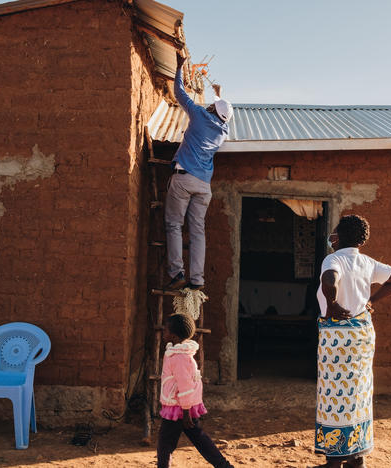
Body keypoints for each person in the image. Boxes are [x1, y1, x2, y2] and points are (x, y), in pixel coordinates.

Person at [313, 215, 391, 468]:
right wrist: (371, 301)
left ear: (339, 236)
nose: (331, 236)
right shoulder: (367, 262)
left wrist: (331, 305)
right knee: (359, 392)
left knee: (333, 395)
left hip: (338, 335)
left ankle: (334, 459)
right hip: (363, 333)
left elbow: (329, 280)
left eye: (334, 232)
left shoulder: (334, 259)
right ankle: (357, 457)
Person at [165, 51, 233, 291]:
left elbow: (180, 93)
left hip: (183, 179)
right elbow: (224, 114)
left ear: (212, 110)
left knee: (174, 225)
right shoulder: (223, 131)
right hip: (204, 186)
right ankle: (197, 279)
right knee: (197, 232)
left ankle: (177, 273)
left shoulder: (200, 115)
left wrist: (179, 67)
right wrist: (219, 95)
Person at [157, 313, 234, 468]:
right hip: (182, 406)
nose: (163, 333)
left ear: (173, 334)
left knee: (165, 445)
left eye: (165, 330)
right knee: (199, 439)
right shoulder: (176, 353)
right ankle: (224, 466)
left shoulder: (179, 358)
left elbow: (185, 386)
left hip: (178, 408)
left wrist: (185, 412)